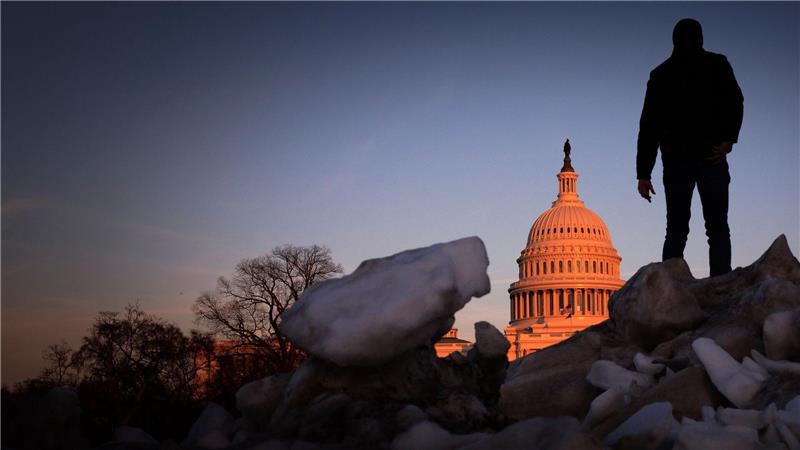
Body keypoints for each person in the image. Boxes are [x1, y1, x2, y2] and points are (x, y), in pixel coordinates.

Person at [636, 18, 743, 277]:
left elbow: (648, 126)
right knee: (716, 227)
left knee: (676, 229)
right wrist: (728, 140)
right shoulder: (717, 64)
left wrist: (643, 173)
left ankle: (671, 286)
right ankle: (721, 282)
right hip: (710, 157)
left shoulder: (661, 75)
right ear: (701, 39)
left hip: (678, 162)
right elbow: (735, 102)